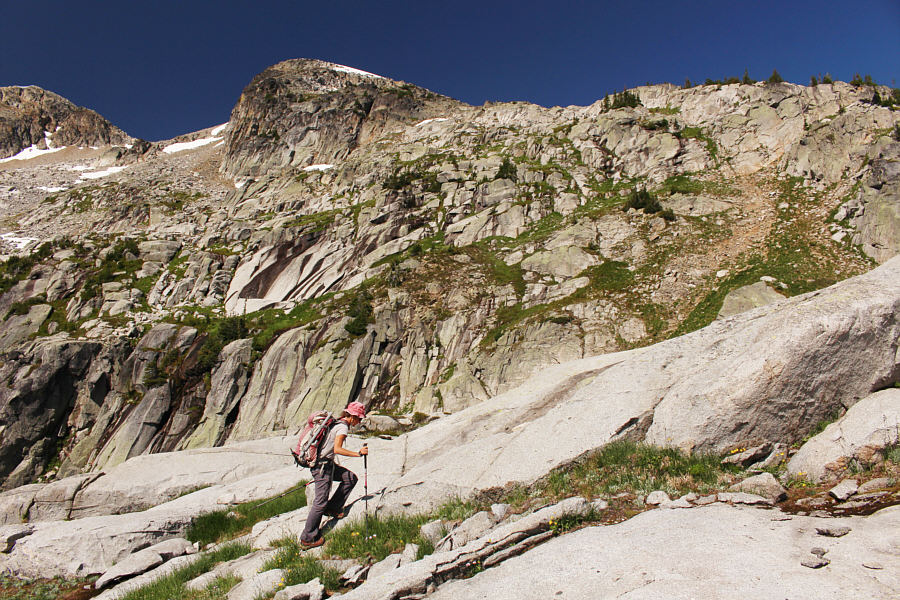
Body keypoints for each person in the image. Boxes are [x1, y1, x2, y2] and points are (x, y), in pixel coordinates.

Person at [299, 401, 369, 548]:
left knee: (350, 478)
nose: (359, 421)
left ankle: (333, 508)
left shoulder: (337, 422)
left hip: (326, 464)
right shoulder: (343, 427)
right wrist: (358, 454)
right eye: (359, 418)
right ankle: (307, 537)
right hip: (322, 467)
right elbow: (337, 449)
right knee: (320, 501)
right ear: (353, 417)